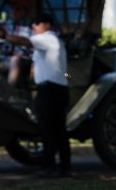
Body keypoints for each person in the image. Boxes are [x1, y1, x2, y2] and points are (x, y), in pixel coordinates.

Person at [12, 12, 72, 178]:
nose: (33, 26)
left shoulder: (47, 38)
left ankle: (49, 166)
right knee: (59, 130)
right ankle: (64, 166)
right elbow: (65, 71)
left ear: (48, 25)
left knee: (47, 129)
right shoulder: (56, 42)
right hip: (59, 87)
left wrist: (4, 35)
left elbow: (24, 41)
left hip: (49, 90)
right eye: (33, 23)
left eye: (37, 22)